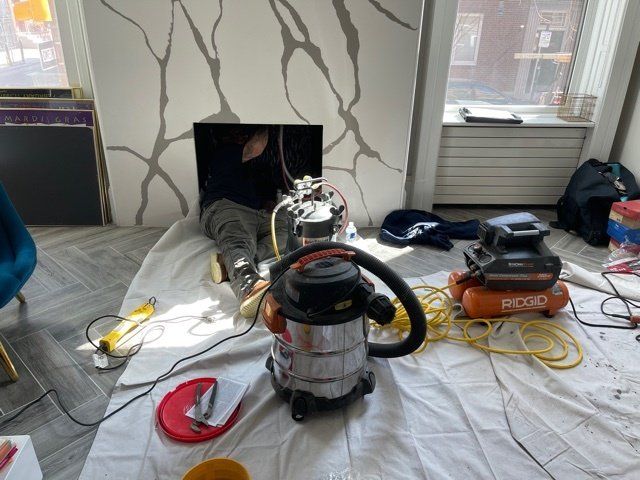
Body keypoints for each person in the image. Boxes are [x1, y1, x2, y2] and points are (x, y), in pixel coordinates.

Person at [200, 127, 288, 318]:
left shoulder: (256, 168)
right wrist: (269, 125)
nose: (239, 138)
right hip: (225, 206)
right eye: (235, 135)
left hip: (255, 214)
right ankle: (250, 287)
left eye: (242, 135)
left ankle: (227, 263)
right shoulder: (225, 153)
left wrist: (271, 205)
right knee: (238, 239)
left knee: (286, 235)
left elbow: (267, 198)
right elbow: (254, 148)